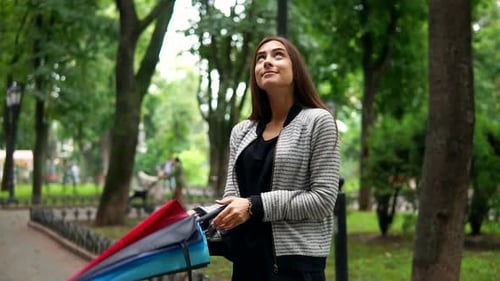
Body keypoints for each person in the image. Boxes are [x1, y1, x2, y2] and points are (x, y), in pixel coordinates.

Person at [191, 36, 340, 281]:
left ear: (296, 70)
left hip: (295, 268)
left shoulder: (318, 121)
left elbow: (322, 199)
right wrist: (200, 216)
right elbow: (233, 202)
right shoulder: (242, 131)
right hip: (247, 264)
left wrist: (254, 206)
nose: (267, 62)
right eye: (261, 58)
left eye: (278, 55)